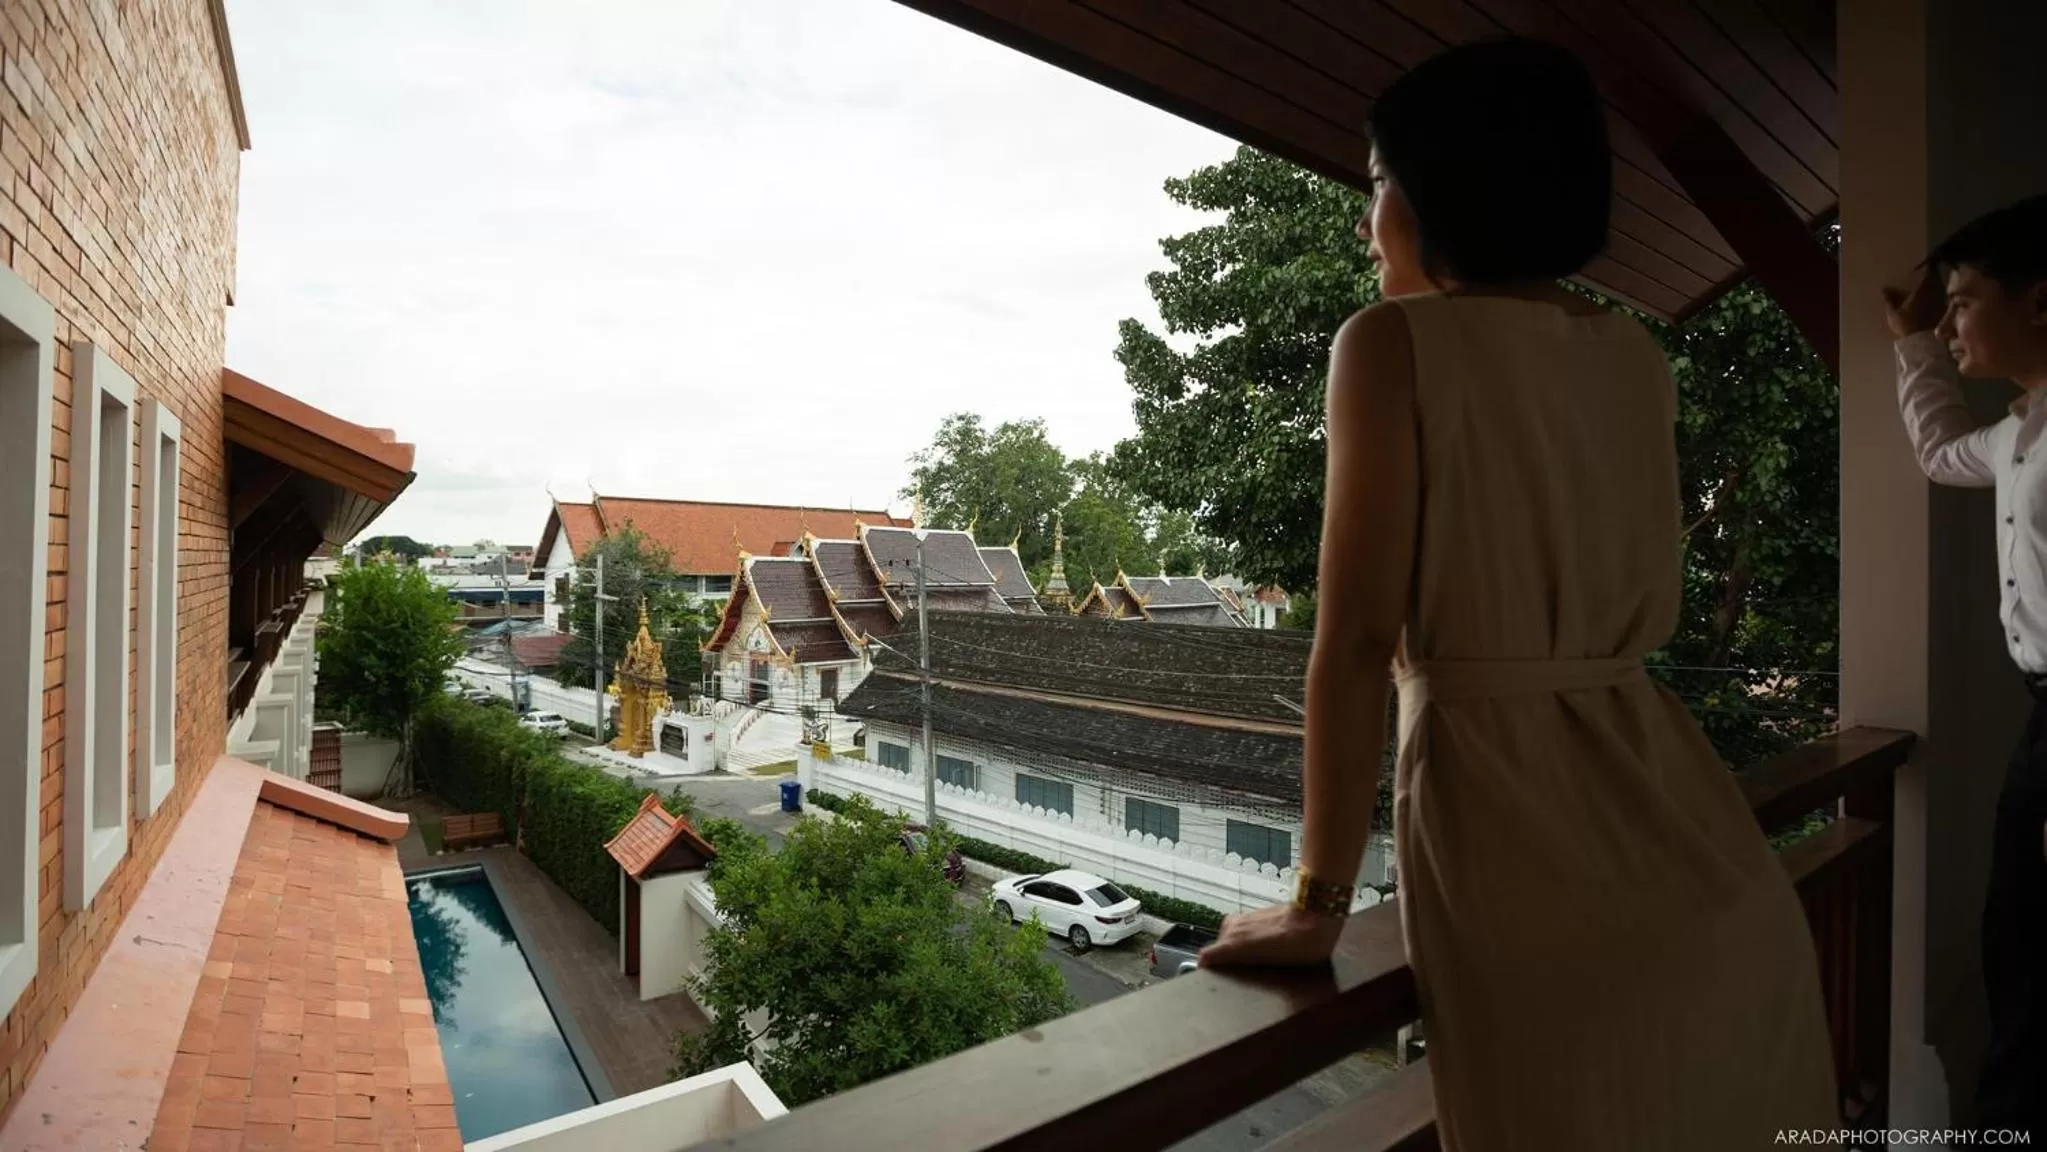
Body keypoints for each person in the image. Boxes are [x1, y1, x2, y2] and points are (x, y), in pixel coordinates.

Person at [1196, 37, 1839, 1149]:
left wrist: (1315, 905)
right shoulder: (1633, 354)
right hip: (1689, 829)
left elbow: (1350, 643)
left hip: (1508, 825)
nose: (1367, 220)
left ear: (1443, 189)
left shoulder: (1389, 344)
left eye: (1378, 184)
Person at [1883, 192, 2047, 1140]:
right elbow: (1944, 453)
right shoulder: (2024, 430)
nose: (1948, 322)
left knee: (2028, 973)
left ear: (2038, 303)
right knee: (2018, 964)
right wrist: (1911, 349)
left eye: (1962, 301)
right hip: (2038, 724)